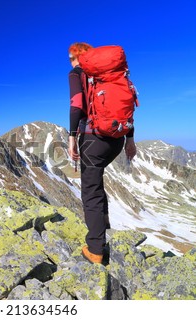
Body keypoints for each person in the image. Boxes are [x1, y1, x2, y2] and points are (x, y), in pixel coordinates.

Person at [67, 42, 137, 264]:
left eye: (71, 57)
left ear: (78, 57)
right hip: (116, 139)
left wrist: (71, 137)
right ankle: (102, 229)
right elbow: (127, 105)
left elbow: (77, 105)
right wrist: (130, 139)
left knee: (90, 192)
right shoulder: (112, 74)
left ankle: (96, 250)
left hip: (93, 139)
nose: (69, 61)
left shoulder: (77, 73)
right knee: (96, 185)